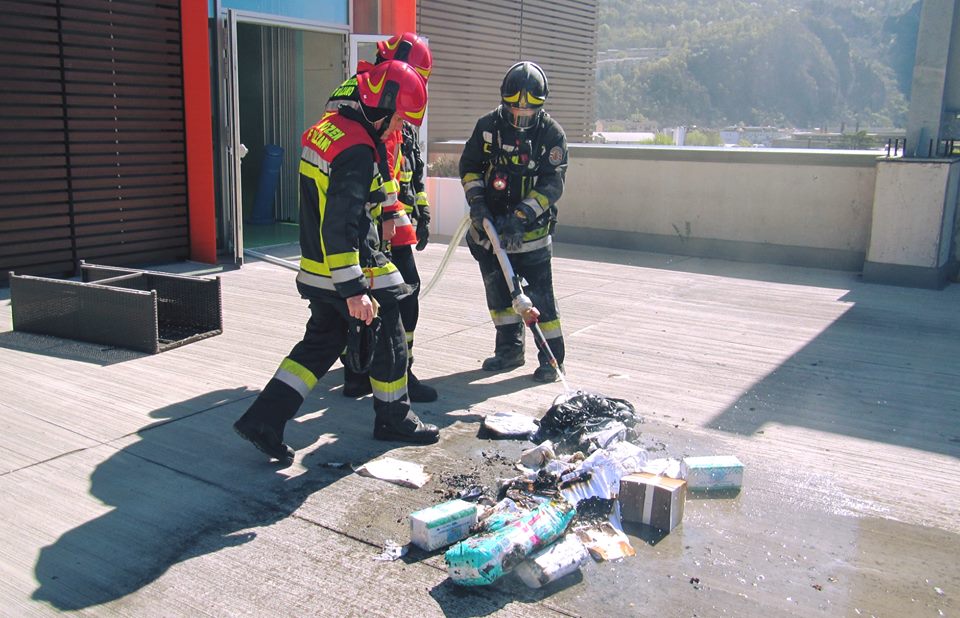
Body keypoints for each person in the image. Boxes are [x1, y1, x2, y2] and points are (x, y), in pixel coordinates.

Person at [233, 60, 439, 465]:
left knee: (321, 342)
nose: (400, 130)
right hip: (351, 269)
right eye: (399, 120)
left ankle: (263, 420)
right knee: (392, 335)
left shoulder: (331, 129)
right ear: (381, 110)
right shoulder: (357, 151)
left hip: (317, 267)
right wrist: (354, 289)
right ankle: (394, 418)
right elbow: (342, 223)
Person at [326, 32, 437, 403]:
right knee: (396, 294)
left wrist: (419, 205)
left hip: (376, 213)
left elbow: (408, 159)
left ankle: (366, 371)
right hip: (372, 216)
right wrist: (388, 211)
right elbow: (374, 161)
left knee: (376, 294)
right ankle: (388, 371)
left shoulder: (368, 92)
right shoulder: (374, 101)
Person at [459, 61, 568, 383]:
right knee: (500, 298)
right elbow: (470, 167)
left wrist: (520, 217)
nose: (520, 116)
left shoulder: (551, 134)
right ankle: (509, 351)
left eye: (528, 111)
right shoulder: (487, 127)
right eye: (514, 110)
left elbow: (552, 185)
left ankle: (552, 360)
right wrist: (478, 203)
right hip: (491, 234)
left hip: (531, 235)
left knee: (541, 300)